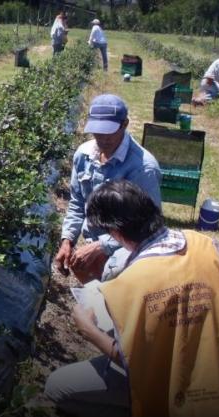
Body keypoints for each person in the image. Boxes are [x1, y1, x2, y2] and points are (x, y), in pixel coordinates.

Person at [45, 180, 219, 417]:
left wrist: (89, 331)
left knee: (58, 386)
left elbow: (132, 362)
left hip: (185, 399)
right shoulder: (207, 245)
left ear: (115, 233)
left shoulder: (131, 282)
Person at [54, 94, 161, 284]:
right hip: (94, 242)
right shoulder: (83, 155)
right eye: (97, 131)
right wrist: (67, 240)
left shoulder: (142, 168)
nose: (102, 138)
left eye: (109, 131)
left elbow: (149, 227)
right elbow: (78, 203)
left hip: (128, 249)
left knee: (114, 299)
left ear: (125, 124)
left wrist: (102, 246)